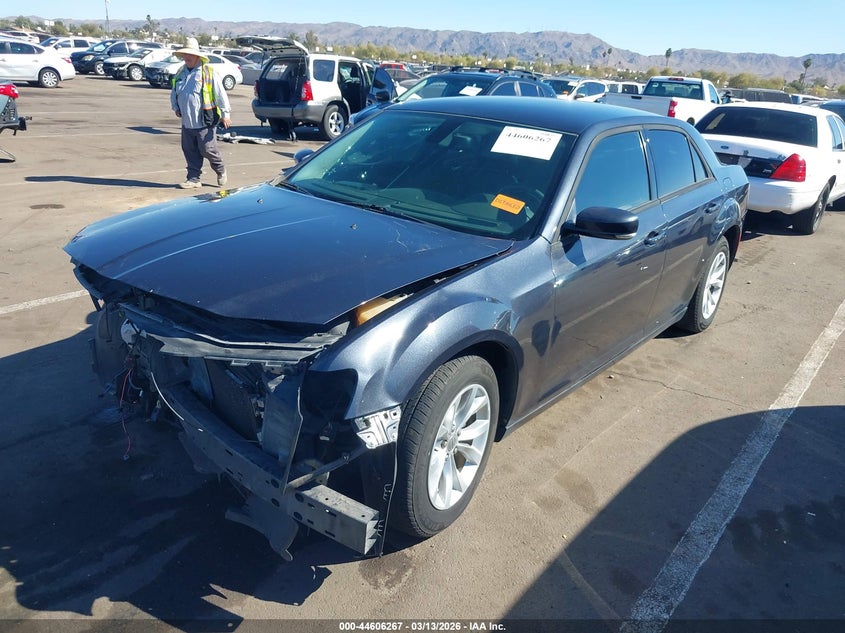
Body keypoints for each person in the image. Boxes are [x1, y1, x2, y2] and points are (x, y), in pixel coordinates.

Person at [170, 38, 231, 189]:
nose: (187, 58)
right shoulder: (180, 73)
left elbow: (220, 93)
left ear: (197, 56)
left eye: (190, 54)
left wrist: (225, 113)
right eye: (185, 54)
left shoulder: (208, 73)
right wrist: (175, 106)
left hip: (204, 120)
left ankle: (220, 169)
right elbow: (174, 92)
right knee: (189, 150)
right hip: (187, 121)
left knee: (207, 149)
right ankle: (193, 178)